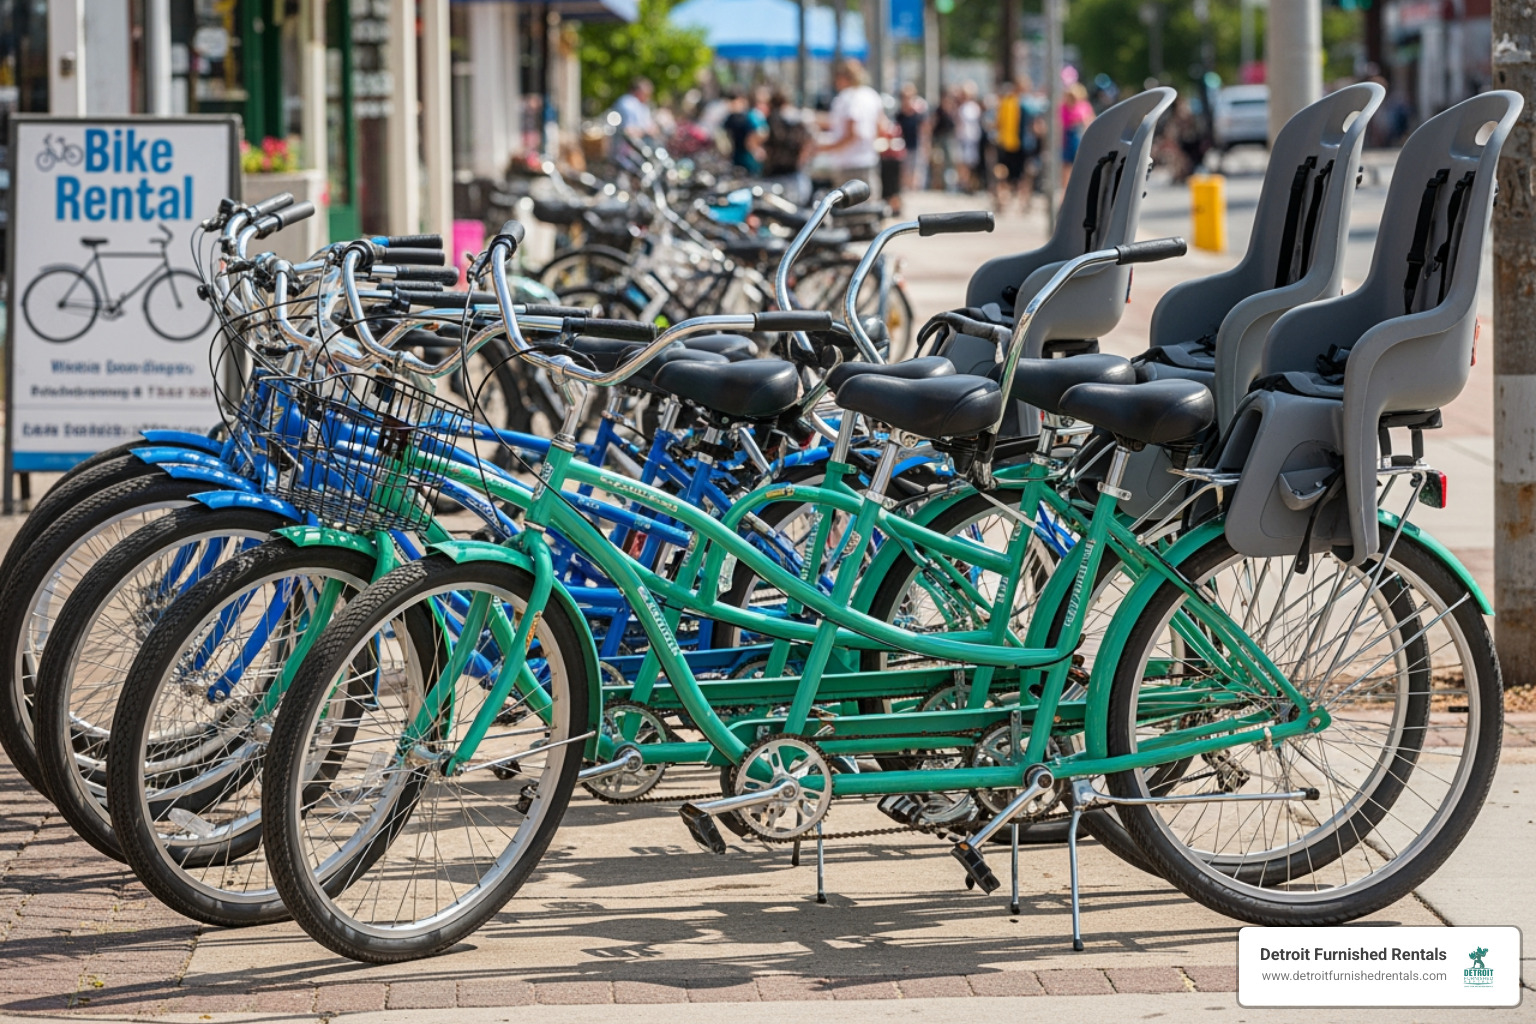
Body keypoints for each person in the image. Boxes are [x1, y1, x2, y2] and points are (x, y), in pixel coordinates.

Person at [817, 58, 884, 199]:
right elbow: (881, 127)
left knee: (849, 210)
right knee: (870, 207)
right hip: (869, 161)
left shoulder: (847, 97)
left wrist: (825, 148)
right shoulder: (872, 95)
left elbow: (852, 134)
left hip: (848, 165)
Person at [762, 88, 813, 203]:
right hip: (794, 173)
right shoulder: (798, 116)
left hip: (774, 172)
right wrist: (802, 159)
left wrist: (761, 153)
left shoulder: (771, 118)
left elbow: (757, 136)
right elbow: (809, 140)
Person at [721, 87, 767, 176]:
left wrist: (753, 146)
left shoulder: (750, 116)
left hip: (748, 158)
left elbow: (761, 132)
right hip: (737, 157)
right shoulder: (730, 118)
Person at [1060, 81, 1094, 187]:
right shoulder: (1064, 107)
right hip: (1067, 138)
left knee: (1080, 165)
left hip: (1079, 137)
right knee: (1066, 167)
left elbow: (1089, 122)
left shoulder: (1084, 106)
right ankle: (1065, 190)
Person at [896, 83, 928, 193]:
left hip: (915, 145)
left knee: (915, 169)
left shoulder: (918, 114)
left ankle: (913, 190)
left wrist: (925, 146)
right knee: (904, 170)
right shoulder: (899, 115)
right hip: (902, 147)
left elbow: (924, 131)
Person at [954, 83, 982, 193]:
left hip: (971, 139)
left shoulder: (974, 107)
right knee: (962, 162)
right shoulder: (961, 107)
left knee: (970, 163)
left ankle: (969, 184)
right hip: (962, 138)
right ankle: (963, 183)